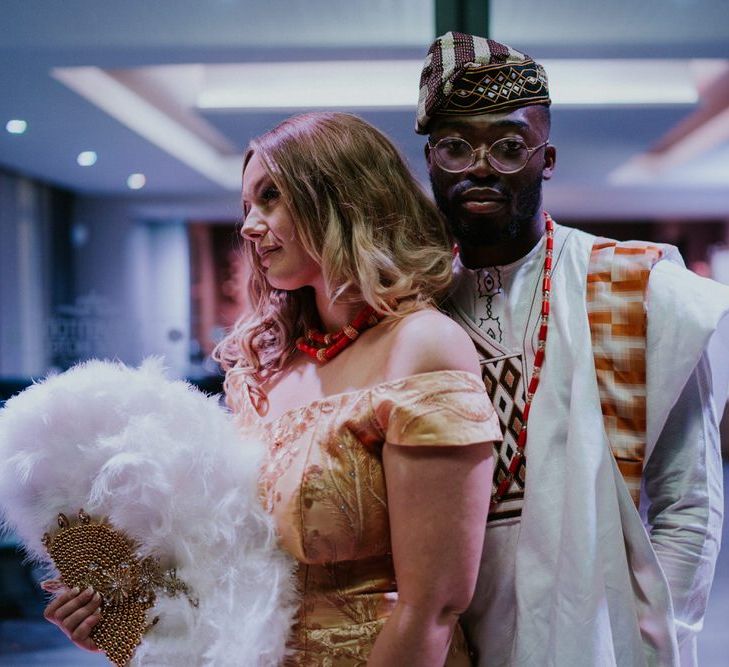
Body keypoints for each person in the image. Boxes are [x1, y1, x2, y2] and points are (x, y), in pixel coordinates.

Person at [43, 111, 501, 666]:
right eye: (245, 206)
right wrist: (123, 621)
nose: (248, 225)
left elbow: (434, 605)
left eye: (270, 197)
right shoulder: (264, 367)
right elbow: (228, 574)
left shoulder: (422, 345)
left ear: (342, 197)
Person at [416, 31, 729, 667]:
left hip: (598, 635)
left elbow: (688, 499)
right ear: (429, 158)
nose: (480, 166)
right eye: (456, 146)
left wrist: (650, 638)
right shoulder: (406, 305)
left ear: (547, 157)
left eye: (508, 146)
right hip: (444, 636)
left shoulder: (637, 290)